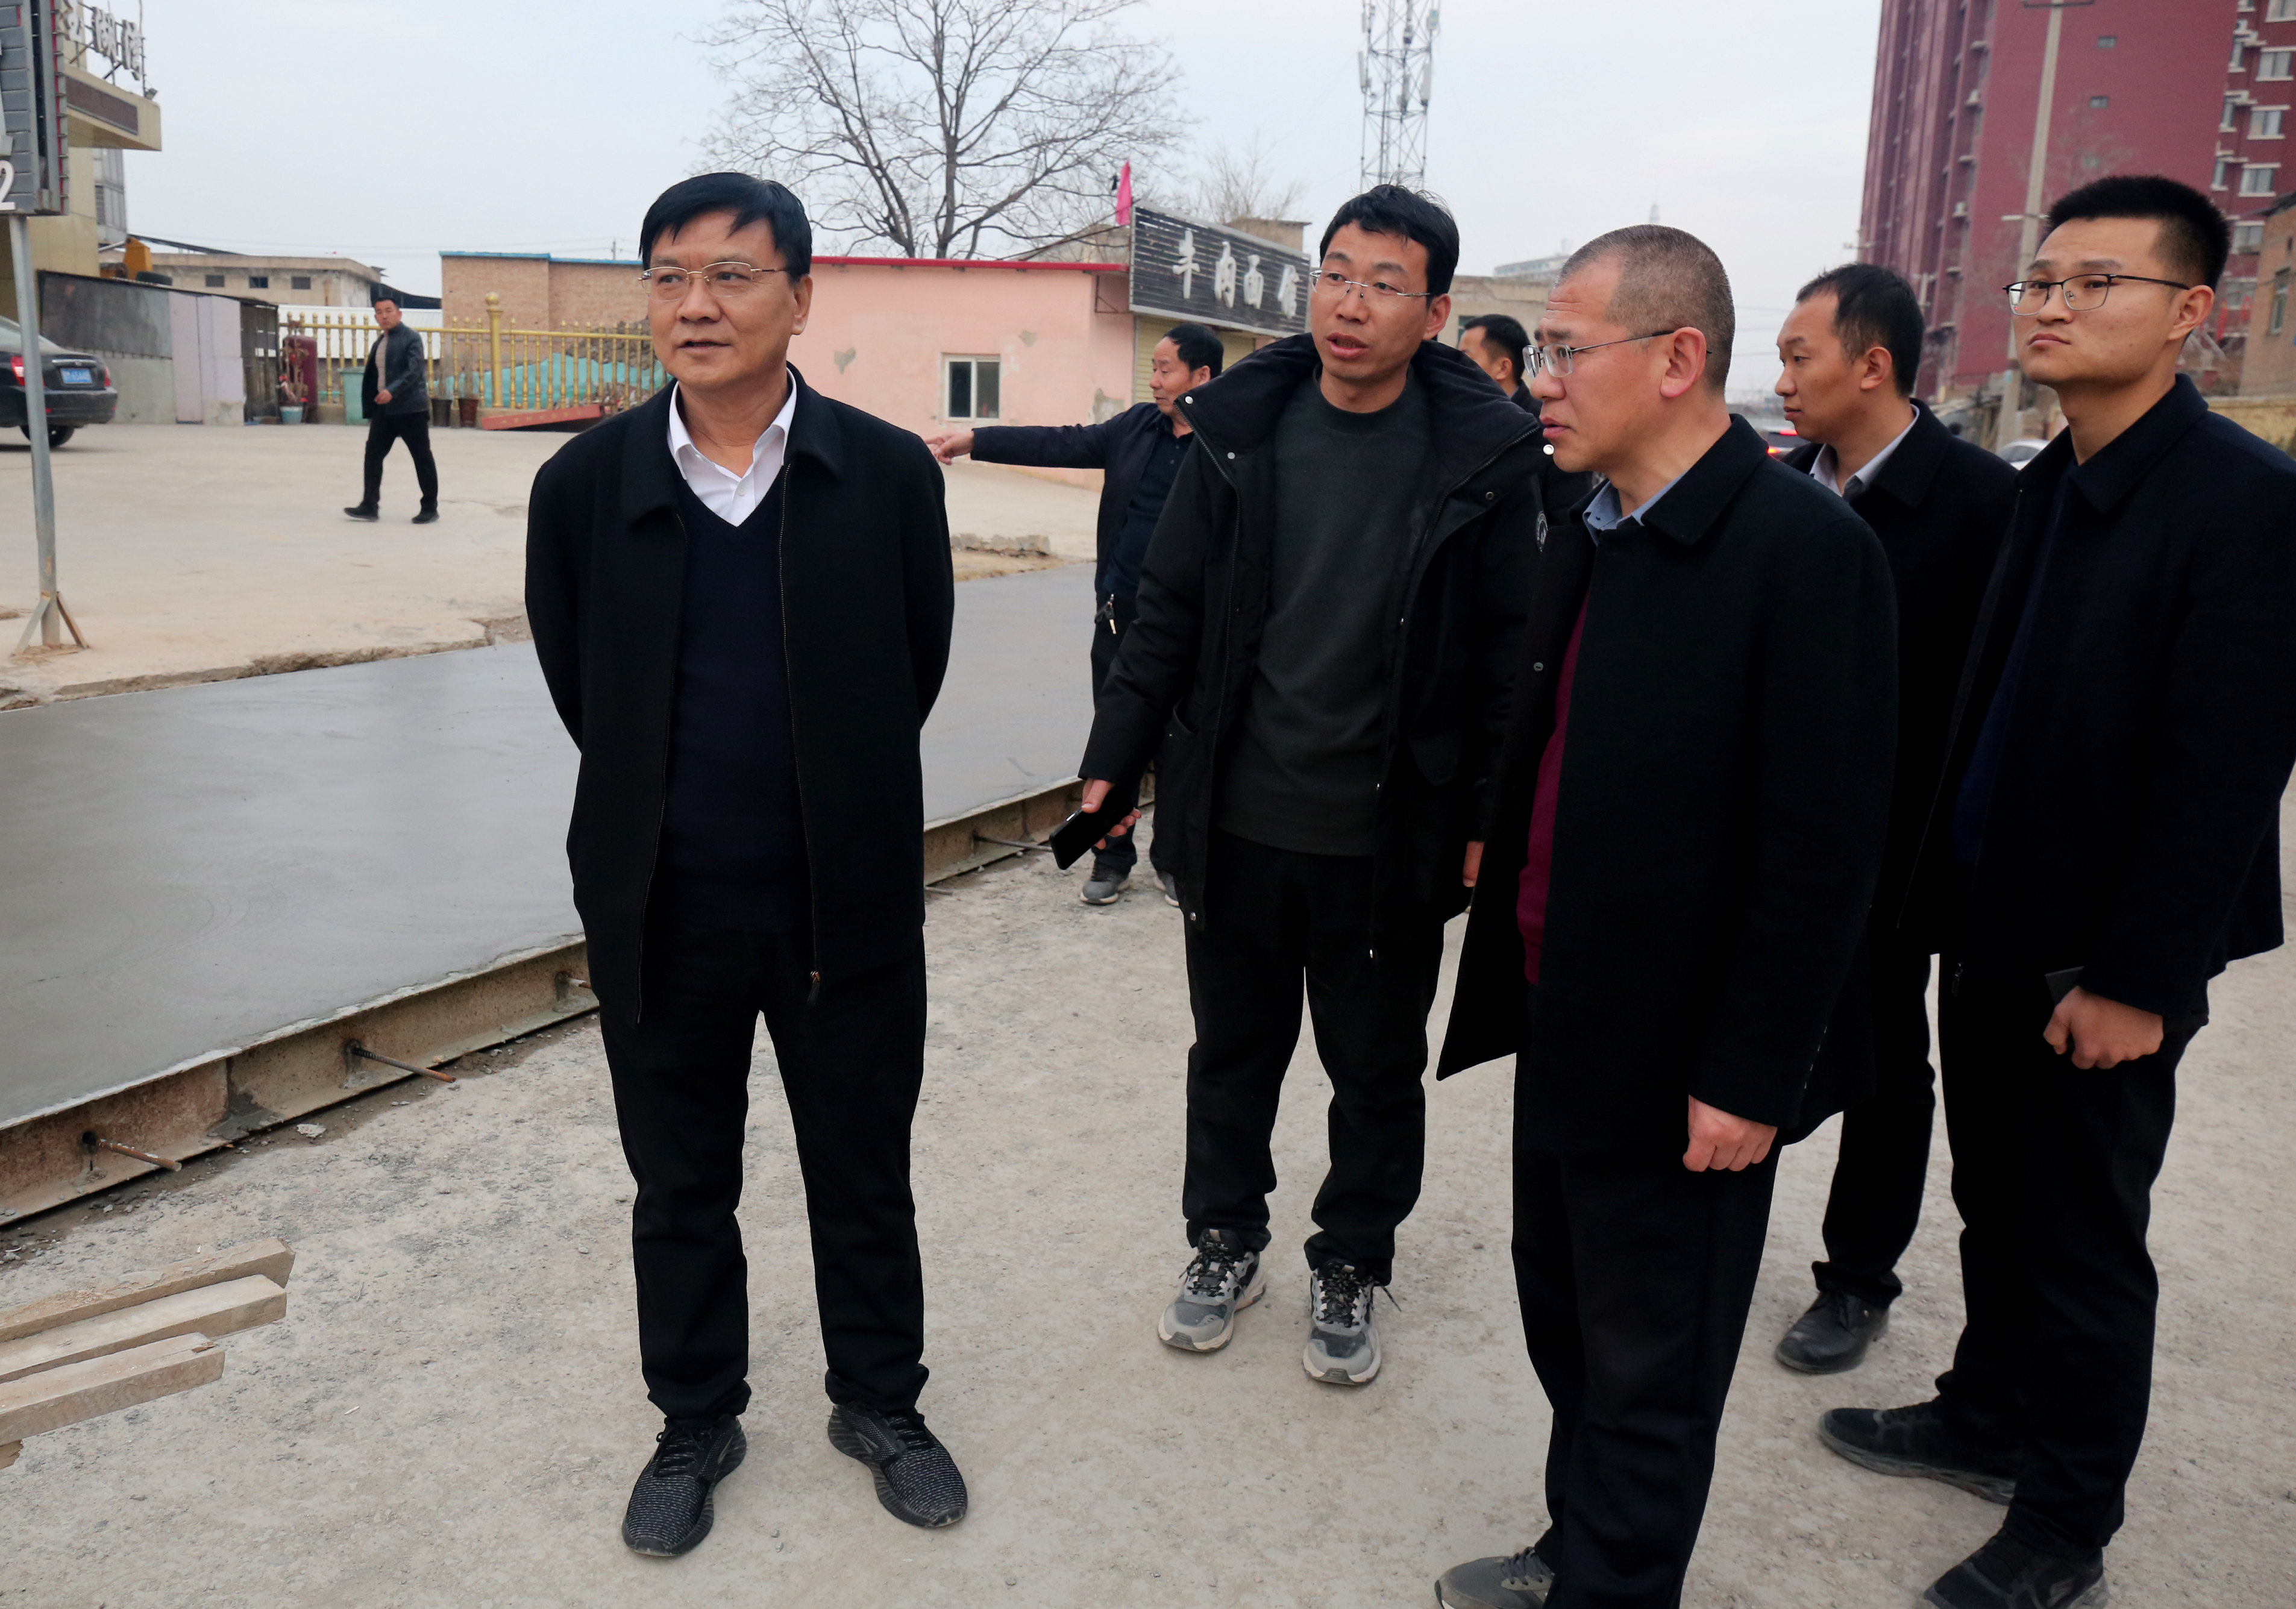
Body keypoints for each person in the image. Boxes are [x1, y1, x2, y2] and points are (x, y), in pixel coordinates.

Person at [1819, 176, 2296, 1609]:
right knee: (1995, 1199)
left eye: (2097, 284)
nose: (2053, 306)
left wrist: (2139, 979)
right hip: (1990, 917)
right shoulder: (2049, 486)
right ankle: (1986, 1409)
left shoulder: (2240, 502)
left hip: (2101, 958)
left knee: (2084, 1237)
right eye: (2041, 281)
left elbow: (2223, 773)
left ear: (2192, 313)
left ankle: (2065, 1523)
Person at [1431, 224, 1898, 1609]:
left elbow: (1823, 853)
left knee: (1653, 1371)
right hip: (1567, 1008)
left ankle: (1612, 1584)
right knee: (1568, 1321)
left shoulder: (1803, 554)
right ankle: (1577, 1546)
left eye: (1567, 350)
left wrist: (1750, 1074)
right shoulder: (1595, 527)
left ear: (1680, 357)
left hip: (1686, 1057)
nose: (1541, 380)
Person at [525, 172, 966, 1558]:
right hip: (662, 904)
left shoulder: (882, 476)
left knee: (861, 1166)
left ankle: (880, 1402)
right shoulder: (584, 487)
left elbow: (913, 666)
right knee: (679, 1183)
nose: (695, 305)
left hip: (843, 900)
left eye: (730, 274)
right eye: (669, 277)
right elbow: (581, 686)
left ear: (800, 297)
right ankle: (695, 1418)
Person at [1074, 186, 1549, 1387]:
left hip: (1389, 830)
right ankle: (1225, 1239)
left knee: (1376, 1069)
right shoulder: (1240, 429)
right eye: (1335, 273)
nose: (1350, 303)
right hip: (1239, 814)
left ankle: (1354, 1255)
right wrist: (1112, 760)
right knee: (1231, 1053)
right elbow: (1168, 609)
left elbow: (1508, 658)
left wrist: (1486, 821)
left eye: (1384, 284)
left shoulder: (1483, 458)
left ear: (1433, 313)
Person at [1767, 263, 2016, 1375]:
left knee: (1882, 1061)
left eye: (1798, 357)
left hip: (1898, 847)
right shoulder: (1781, 489)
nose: (1782, 380)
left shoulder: (1983, 505)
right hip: (1769, 829)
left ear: (1872, 365)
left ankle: (1857, 1278)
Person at [924, 322, 1225, 907]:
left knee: (1184, 748)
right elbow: (1060, 443)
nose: (1154, 380)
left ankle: (1176, 862)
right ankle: (1110, 860)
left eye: (1165, 369)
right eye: (1153, 368)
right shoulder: (1136, 428)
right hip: (1122, 614)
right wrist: (974, 440)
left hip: (1195, 625)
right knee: (1117, 739)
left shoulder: (1229, 445)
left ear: (1202, 376)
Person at [1460, 312, 1597, 530]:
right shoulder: (1463, 422)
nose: (1458, 367)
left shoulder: (1550, 426)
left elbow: (1566, 518)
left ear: (1503, 368)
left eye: (1466, 358)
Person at [343, 296, 438, 524]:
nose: (384, 316)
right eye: (379, 312)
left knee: (422, 457)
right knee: (373, 455)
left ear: (399, 313)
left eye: (388, 311)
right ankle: (369, 505)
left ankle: (429, 508)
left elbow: (414, 371)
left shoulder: (411, 338)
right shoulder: (380, 342)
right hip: (384, 411)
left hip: (410, 410)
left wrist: (392, 391)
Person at [1457, 312, 1534, 408]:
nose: (1456, 366)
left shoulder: (1540, 416)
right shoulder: (1459, 409)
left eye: (1465, 360)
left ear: (1503, 368)